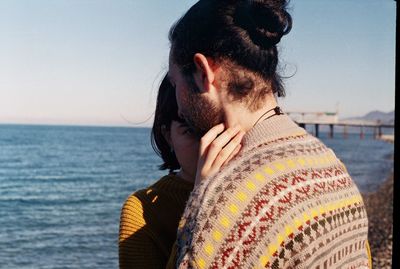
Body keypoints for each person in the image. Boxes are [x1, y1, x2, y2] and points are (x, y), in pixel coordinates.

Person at [167, 0, 372, 268]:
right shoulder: (330, 163)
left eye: (175, 83)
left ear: (203, 72)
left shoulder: (227, 203)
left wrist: (201, 201)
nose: (179, 107)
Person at [118, 75, 243, 269]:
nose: (207, 145)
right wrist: (203, 199)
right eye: (191, 130)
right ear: (168, 136)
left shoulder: (253, 185)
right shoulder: (142, 211)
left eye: (216, 128)